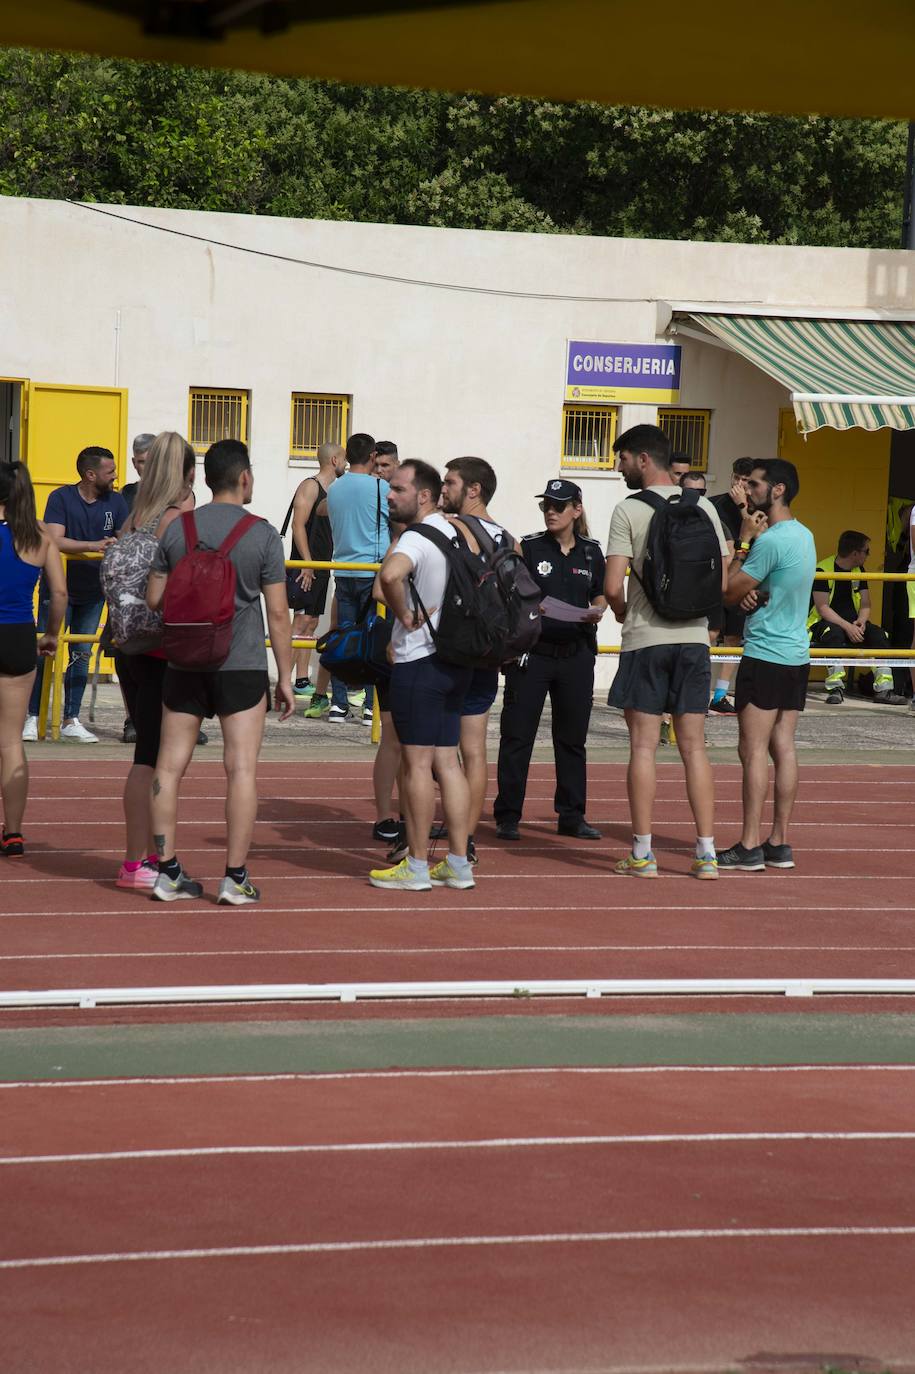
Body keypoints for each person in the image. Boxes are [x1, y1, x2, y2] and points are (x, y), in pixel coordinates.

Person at [147, 439, 295, 904]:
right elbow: (278, 613)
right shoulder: (264, 535)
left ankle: (167, 872)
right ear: (244, 477)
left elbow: (154, 600)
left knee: (168, 768)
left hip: (184, 662)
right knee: (241, 770)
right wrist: (287, 677)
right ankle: (234, 877)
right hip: (241, 663)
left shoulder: (176, 530)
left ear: (203, 479)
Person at [605, 424, 729, 879]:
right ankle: (707, 854)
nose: (619, 468)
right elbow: (718, 583)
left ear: (642, 459)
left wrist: (622, 612)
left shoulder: (628, 510)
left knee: (642, 746)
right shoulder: (705, 509)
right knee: (694, 749)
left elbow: (611, 583)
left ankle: (642, 853)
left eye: (622, 459)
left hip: (647, 638)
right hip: (694, 640)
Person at [370, 460, 476, 892]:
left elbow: (389, 576)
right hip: (458, 659)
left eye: (397, 488)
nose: (390, 495)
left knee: (415, 765)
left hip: (421, 660)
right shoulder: (458, 530)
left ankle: (415, 866)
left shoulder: (416, 536)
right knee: (449, 763)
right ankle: (458, 861)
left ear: (425, 496)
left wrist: (404, 615)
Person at [494, 478, 606, 842]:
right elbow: (508, 591)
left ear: (577, 509)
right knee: (517, 736)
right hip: (533, 655)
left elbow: (601, 593)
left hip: (576, 655)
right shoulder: (529, 547)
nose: (551, 512)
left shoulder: (591, 552)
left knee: (572, 739)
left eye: (559, 505)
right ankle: (508, 814)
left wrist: (598, 609)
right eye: (546, 506)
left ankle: (572, 814)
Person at [718, 458, 816, 872]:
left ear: (777, 490)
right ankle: (779, 842)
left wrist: (742, 542)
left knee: (752, 750)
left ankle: (748, 844)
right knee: (784, 748)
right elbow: (767, 589)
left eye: (755, 484)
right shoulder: (805, 536)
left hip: (766, 654)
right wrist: (754, 594)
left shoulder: (770, 540)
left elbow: (727, 589)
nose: (748, 489)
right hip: (796, 653)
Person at [111, 432, 197, 891]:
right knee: (157, 761)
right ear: (186, 472)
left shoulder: (135, 517)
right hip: (165, 649)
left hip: (130, 645)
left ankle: (136, 860)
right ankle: (145, 863)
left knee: (145, 753)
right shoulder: (177, 519)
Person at [22, 446, 129, 744]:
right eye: (110, 471)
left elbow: (124, 537)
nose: (116, 475)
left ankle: (71, 719)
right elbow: (54, 540)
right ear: (90, 474)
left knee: (80, 655)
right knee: (45, 650)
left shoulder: (117, 501)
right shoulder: (61, 497)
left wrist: (114, 545)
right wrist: (95, 545)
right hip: (59, 590)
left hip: (95, 591)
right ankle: (32, 717)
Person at [441, 455, 518, 864]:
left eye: (450, 482)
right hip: (489, 651)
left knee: (430, 747)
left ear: (474, 489)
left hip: (452, 649)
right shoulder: (508, 536)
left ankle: (430, 832)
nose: (444, 488)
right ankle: (466, 838)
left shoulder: (451, 529)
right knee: (473, 749)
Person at [0, 462, 66, 857]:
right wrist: (52, 634)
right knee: (10, 741)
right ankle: (14, 832)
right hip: (18, 635)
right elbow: (58, 594)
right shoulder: (39, 535)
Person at [325, 433, 389, 724]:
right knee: (373, 638)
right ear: (373, 455)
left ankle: (338, 704)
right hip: (372, 572)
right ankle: (368, 706)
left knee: (343, 635)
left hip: (342, 571)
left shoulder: (335, 488)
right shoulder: (380, 487)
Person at [809, 530, 907, 705]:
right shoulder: (822, 569)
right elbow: (823, 608)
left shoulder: (859, 570)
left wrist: (861, 621)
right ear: (855, 553)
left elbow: (866, 603)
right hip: (825, 624)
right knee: (834, 635)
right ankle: (835, 689)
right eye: (866, 551)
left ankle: (884, 690)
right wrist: (848, 627)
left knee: (879, 635)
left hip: (854, 624)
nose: (868, 555)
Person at [288, 441, 346, 706]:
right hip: (307, 566)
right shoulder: (310, 486)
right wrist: (307, 564)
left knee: (310, 623)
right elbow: (297, 525)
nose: (345, 464)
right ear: (334, 460)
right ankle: (284, 685)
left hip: (321, 565)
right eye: (344, 459)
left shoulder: (333, 490)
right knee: (300, 623)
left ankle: (301, 680)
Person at [708, 457, 756, 714]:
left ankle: (720, 695)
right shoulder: (714, 503)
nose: (738, 484)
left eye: (745, 480)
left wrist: (742, 508)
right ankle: (696, 688)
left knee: (734, 637)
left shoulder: (758, 507)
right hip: (715, 579)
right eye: (735, 477)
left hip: (742, 580)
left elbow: (762, 535)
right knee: (710, 633)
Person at [121, 433, 156, 514]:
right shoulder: (125, 494)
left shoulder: (177, 494)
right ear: (134, 463)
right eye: (142, 462)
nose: (148, 467)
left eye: (151, 461)